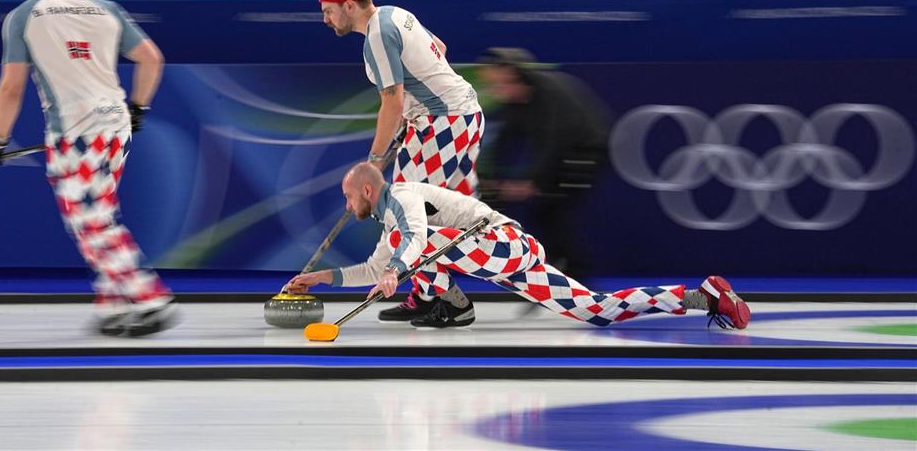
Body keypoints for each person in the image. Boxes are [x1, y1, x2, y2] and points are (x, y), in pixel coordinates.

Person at [0, 0, 178, 337]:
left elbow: (11, 87)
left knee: (89, 218)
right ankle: (112, 303)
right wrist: (139, 109)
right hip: (115, 125)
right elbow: (152, 58)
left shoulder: (24, 14)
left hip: (74, 130)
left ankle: (148, 296)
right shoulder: (107, 8)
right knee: (94, 213)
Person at [287, 163, 751, 331]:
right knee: (595, 311)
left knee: (413, 249)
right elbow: (374, 268)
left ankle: (452, 305)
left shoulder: (404, 197)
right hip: (511, 265)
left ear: (367, 191)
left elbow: (414, 241)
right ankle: (702, 296)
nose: (347, 207)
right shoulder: (391, 223)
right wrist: (322, 278)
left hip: (501, 242)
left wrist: (396, 273)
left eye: (348, 198)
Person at [318, 0, 484, 322]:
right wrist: (419, 108)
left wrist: (374, 161)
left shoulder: (377, 35)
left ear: (348, 5)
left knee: (403, 213)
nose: (326, 20)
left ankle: (453, 303)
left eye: (328, 12)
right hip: (457, 118)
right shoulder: (397, 15)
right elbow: (438, 47)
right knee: (426, 213)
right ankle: (426, 294)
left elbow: (391, 100)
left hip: (445, 125)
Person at [477, 47, 612, 282]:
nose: (495, 90)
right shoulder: (516, 101)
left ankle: (575, 275)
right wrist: (488, 177)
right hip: (560, 153)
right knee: (525, 210)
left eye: (497, 83)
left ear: (511, 73)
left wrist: (533, 181)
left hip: (586, 151)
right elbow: (502, 142)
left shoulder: (549, 94)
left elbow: (554, 142)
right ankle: (541, 270)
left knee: (549, 212)